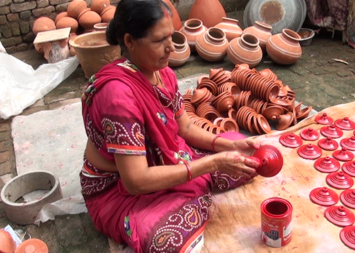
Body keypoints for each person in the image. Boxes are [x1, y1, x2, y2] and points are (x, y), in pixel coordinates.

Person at [79, 0, 261, 252]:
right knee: (168, 237)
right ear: (130, 41)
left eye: (172, 37)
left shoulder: (163, 74)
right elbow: (136, 181)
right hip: (117, 187)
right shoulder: (117, 96)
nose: (171, 48)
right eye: (158, 41)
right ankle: (189, 191)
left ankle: (194, 183)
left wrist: (230, 144)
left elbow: (184, 129)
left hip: (164, 161)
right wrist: (211, 163)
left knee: (244, 161)